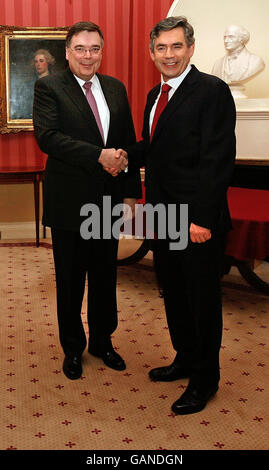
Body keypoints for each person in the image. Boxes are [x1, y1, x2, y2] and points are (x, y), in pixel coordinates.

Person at [112, 16, 236, 415]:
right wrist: (128, 153)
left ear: (191, 48)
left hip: (195, 221)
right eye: (161, 48)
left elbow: (217, 161)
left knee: (202, 301)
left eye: (176, 46)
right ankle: (185, 358)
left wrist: (201, 219)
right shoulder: (155, 94)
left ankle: (205, 380)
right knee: (175, 293)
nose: (169, 54)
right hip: (163, 217)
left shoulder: (212, 91)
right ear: (152, 53)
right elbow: (156, 146)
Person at [33, 21, 141, 380]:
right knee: (70, 278)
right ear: (67, 52)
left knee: (104, 275)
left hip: (108, 201)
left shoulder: (115, 87)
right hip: (69, 203)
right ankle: (73, 349)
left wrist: (129, 193)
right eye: (80, 48)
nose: (87, 56)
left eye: (94, 48)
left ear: (101, 51)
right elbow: (48, 138)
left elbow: (126, 139)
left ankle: (102, 341)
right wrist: (99, 155)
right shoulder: (49, 86)